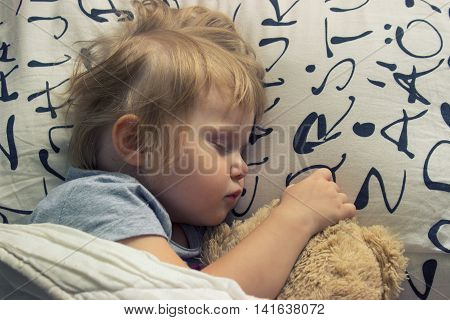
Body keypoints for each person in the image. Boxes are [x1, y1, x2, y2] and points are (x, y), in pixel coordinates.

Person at [31, 0, 356, 299]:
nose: (242, 167)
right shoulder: (94, 200)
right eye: (220, 144)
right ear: (138, 141)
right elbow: (189, 302)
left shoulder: (186, 230)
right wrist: (295, 217)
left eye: (242, 149)